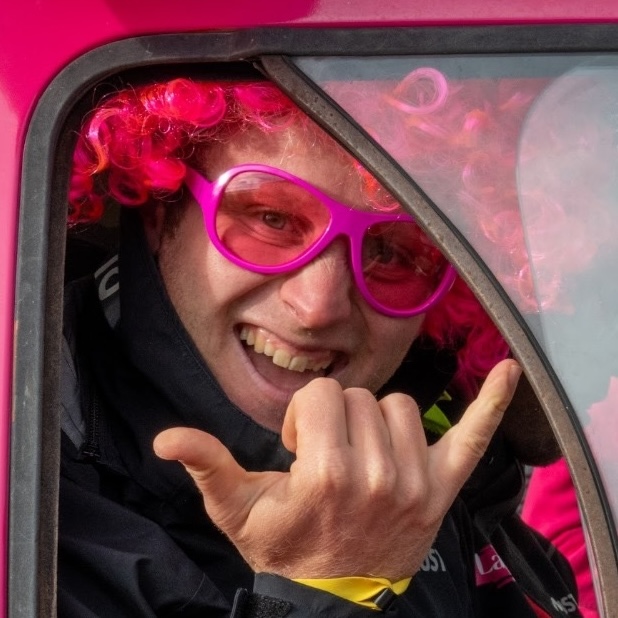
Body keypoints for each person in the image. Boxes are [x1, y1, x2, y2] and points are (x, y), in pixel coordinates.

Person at [59, 75, 581, 617]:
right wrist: (331, 590)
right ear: (162, 208)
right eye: (272, 219)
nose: (318, 307)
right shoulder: (37, 508)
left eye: (391, 252)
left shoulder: (469, 506)